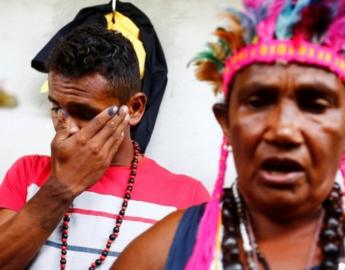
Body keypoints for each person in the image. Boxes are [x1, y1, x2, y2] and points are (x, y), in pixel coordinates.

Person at [113, 1, 345, 269]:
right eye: (258, 101)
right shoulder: (167, 251)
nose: (283, 129)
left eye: (314, 104)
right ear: (226, 123)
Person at [0, 25, 209, 270]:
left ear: (134, 109)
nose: (66, 127)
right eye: (57, 108)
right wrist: (60, 189)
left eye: (85, 113)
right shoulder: (29, 173)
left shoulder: (188, 198)